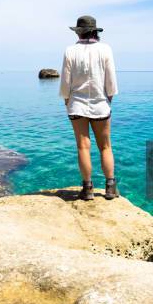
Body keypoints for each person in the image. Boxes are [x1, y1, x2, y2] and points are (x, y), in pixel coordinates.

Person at [59, 15, 119, 200]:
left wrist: (67, 100)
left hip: (76, 105)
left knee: (83, 147)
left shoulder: (70, 51)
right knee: (105, 147)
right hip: (101, 105)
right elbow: (111, 81)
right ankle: (110, 188)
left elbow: (65, 82)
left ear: (78, 31)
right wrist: (108, 100)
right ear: (95, 31)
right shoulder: (105, 49)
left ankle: (87, 189)